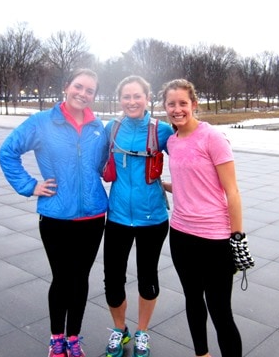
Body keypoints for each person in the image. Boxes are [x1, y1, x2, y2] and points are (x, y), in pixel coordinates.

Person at [0, 69, 109, 357]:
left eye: (89, 90)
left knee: (81, 278)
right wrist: (29, 185)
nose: (82, 94)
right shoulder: (42, 122)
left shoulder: (98, 127)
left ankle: (73, 338)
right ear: (66, 87)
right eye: (78, 87)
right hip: (56, 218)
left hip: (93, 217)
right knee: (61, 279)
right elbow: (7, 152)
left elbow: (101, 166)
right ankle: (56, 338)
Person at [160, 79, 246, 357]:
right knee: (193, 300)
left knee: (220, 311)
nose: (177, 109)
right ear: (165, 107)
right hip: (181, 235)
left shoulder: (213, 138)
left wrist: (237, 237)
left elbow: (232, 191)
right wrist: (163, 185)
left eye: (183, 103)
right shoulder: (172, 142)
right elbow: (190, 184)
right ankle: (202, 354)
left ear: (194, 104)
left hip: (215, 239)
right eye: (171, 104)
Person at [102, 76, 174, 357]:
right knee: (112, 280)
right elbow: (92, 162)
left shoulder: (162, 130)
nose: (131, 102)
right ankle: (120, 329)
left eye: (137, 96)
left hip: (152, 219)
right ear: (119, 99)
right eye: (126, 97)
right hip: (118, 217)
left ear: (147, 98)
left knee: (148, 278)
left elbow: (189, 154)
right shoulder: (112, 128)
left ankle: (142, 331)